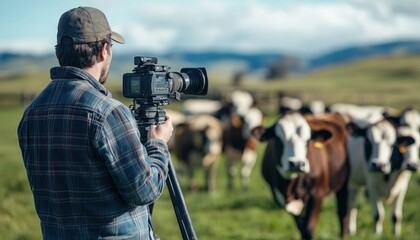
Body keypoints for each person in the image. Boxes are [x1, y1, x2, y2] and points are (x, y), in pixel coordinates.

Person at [17, 6, 173, 239]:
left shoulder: (32, 113)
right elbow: (144, 190)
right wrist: (158, 144)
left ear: (60, 51)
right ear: (103, 50)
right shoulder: (108, 112)